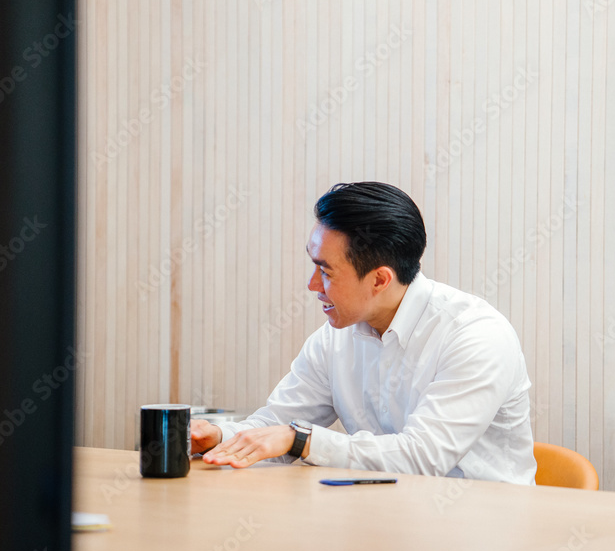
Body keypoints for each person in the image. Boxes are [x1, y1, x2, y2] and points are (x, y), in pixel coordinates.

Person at [190, 182, 536, 484]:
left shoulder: (475, 336)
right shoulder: (335, 337)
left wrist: (302, 440)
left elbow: (421, 459)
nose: (312, 286)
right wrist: (219, 436)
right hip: (384, 524)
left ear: (379, 279)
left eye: (325, 272)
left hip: (484, 535)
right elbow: (277, 425)